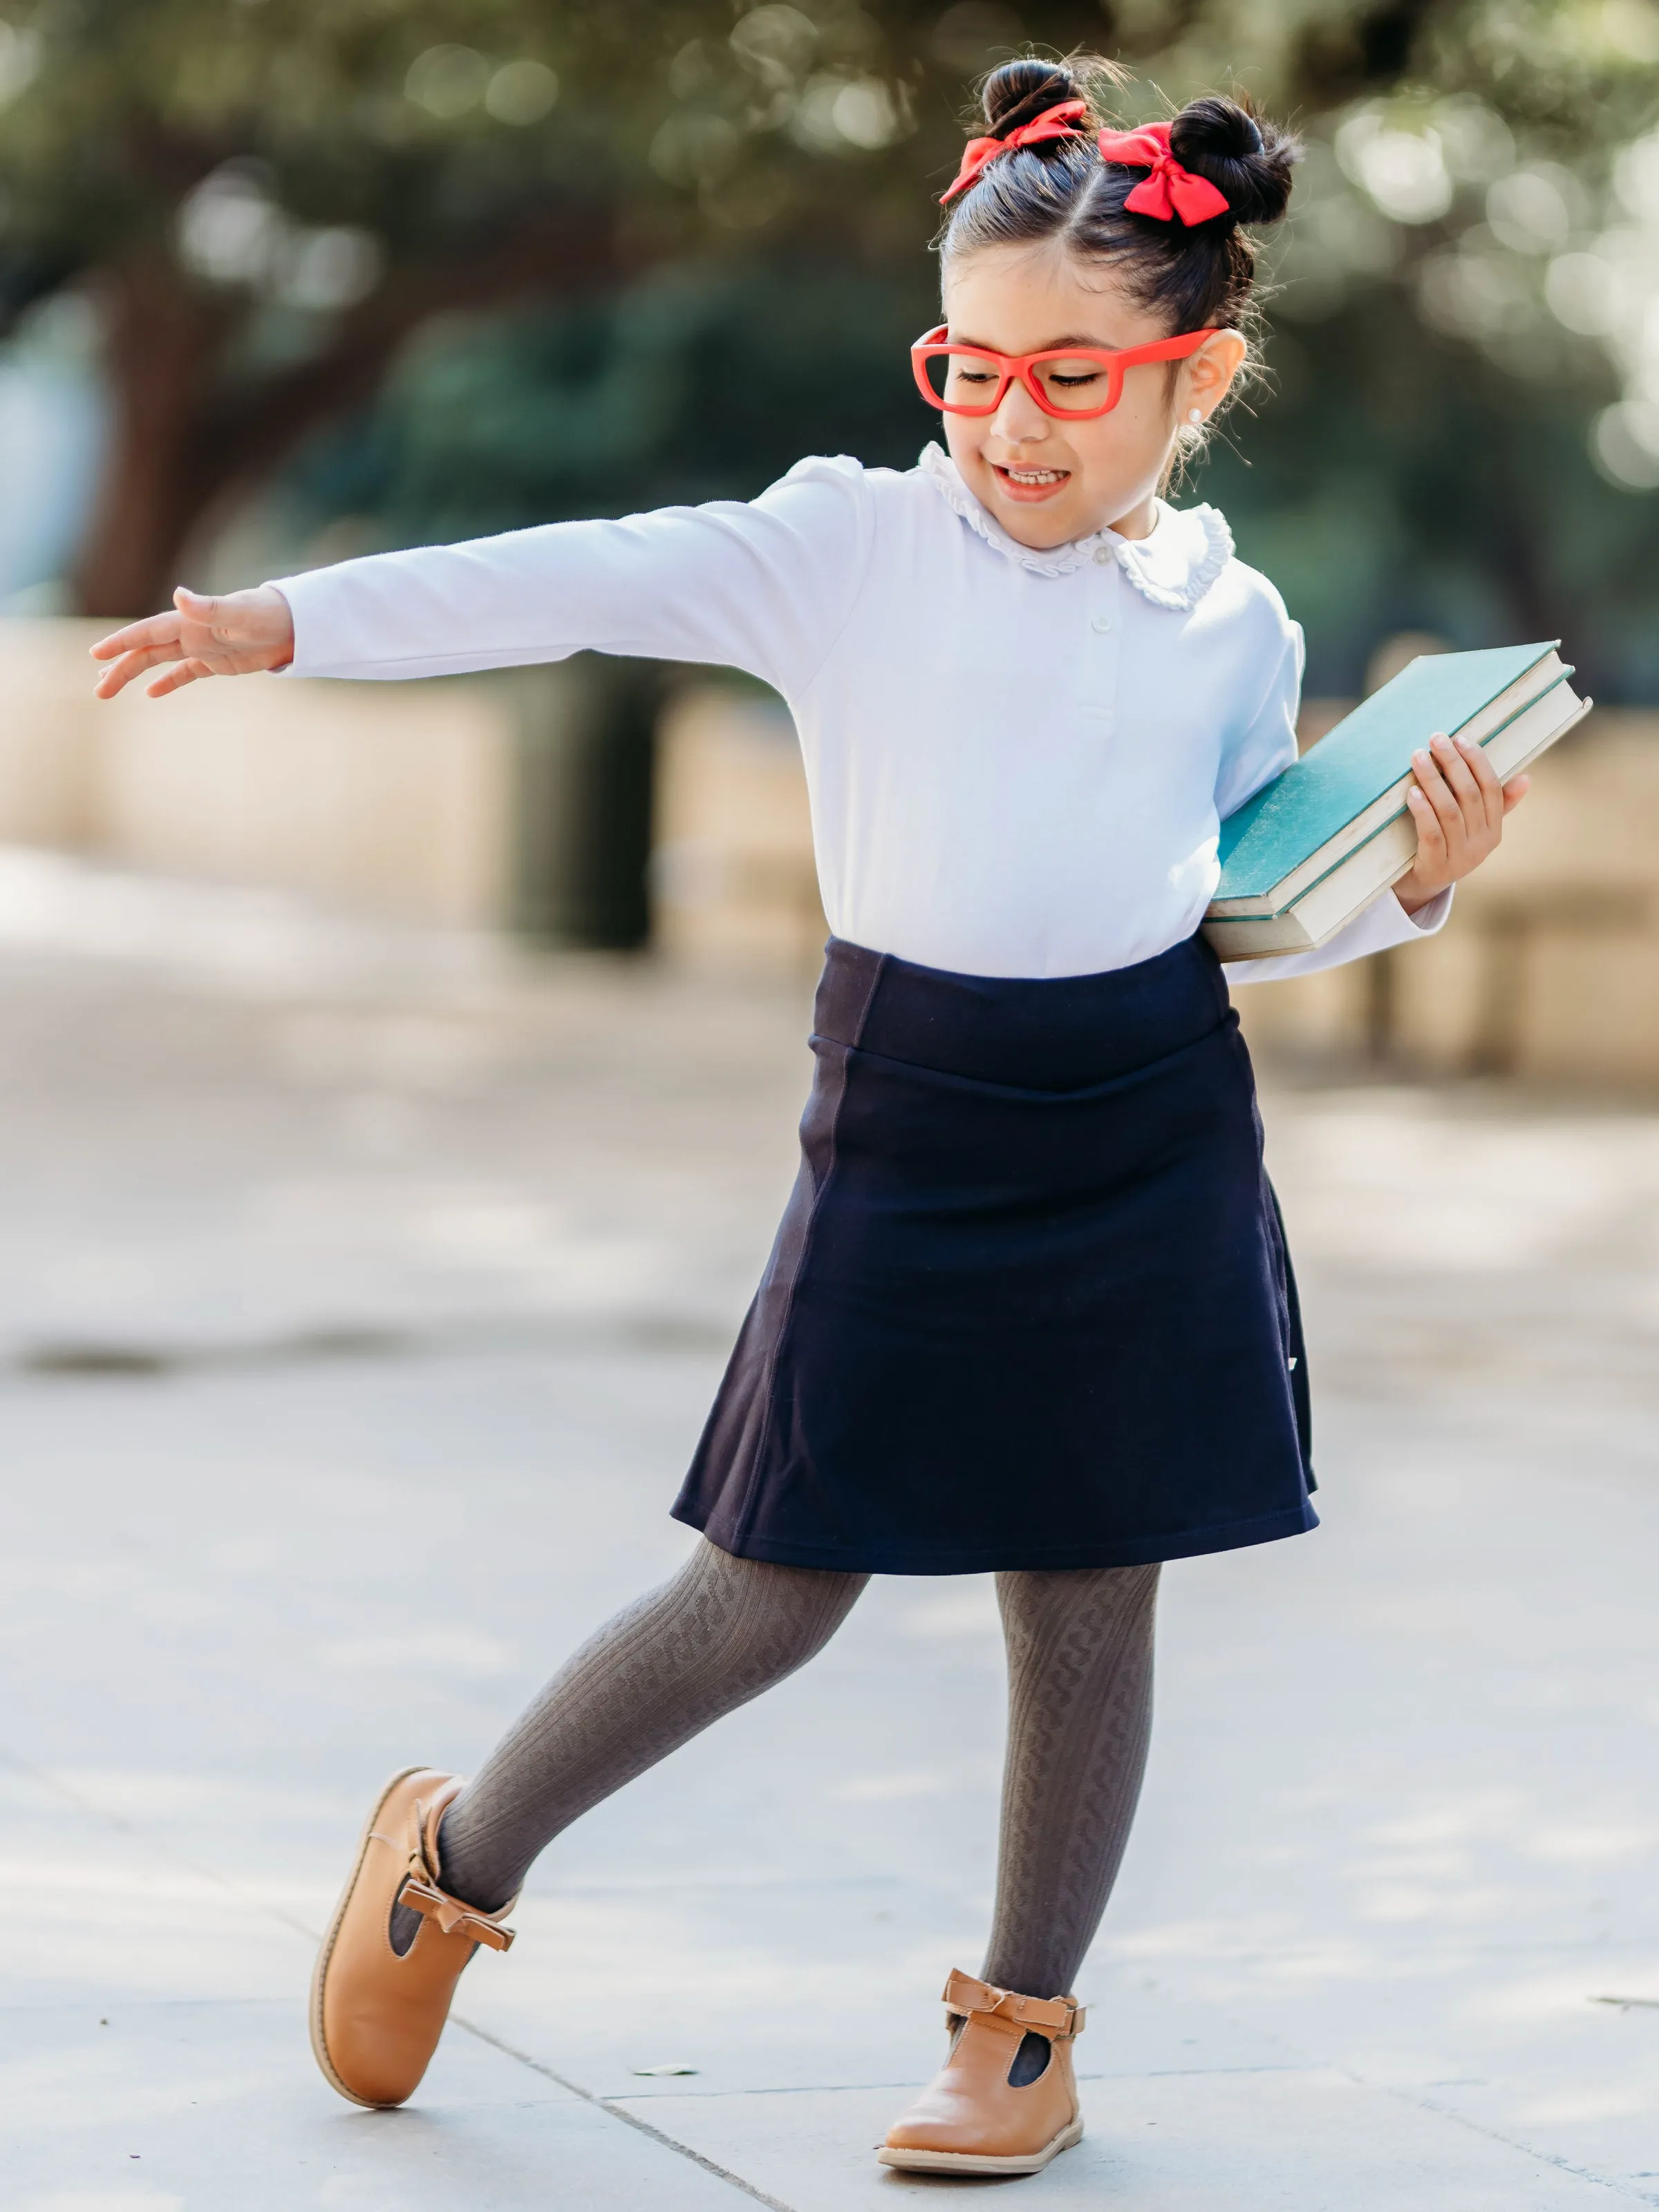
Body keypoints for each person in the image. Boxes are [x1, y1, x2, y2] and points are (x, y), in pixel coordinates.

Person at [90, 55, 1529, 2180]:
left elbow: (1221, 908)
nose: (1013, 422)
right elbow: (564, 575)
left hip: (1145, 1118)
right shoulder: (843, 549)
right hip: (918, 1113)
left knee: (1094, 1580)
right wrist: (288, 622)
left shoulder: (1232, 623)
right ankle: (454, 1860)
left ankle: (1021, 2036)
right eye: (973, 367)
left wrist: (1404, 885)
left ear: (1190, 380)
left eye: (1073, 377)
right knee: (773, 1580)